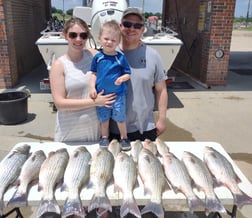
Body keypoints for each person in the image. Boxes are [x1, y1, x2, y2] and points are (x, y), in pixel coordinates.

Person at [49, 16, 115, 143]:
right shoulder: (59, 65)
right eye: (73, 35)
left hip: (94, 133)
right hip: (69, 134)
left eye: (83, 35)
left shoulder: (93, 55)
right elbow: (60, 104)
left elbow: (114, 53)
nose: (78, 39)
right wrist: (95, 102)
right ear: (65, 35)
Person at [110, 7, 168, 142]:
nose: (132, 28)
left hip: (145, 128)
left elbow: (161, 89)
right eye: (127, 24)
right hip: (115, 129)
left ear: (143, 29)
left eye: (137, 25)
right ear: (120, 26)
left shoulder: (153, 55)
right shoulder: (108, 54)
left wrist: (162, 119)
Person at [89, 20, 131, 150]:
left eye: (113, 40)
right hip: (102, 96)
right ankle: (104, 137)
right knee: (104, 118)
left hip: (118, 94)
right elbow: (93, 74)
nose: (109, 42)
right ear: (100, 38)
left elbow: (128, 73)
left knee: (120, 117)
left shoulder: (121, 57)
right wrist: (92, 88)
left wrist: (122, 79)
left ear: (118, 42)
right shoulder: (98, 57)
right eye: (106, 39)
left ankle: (124, 137)